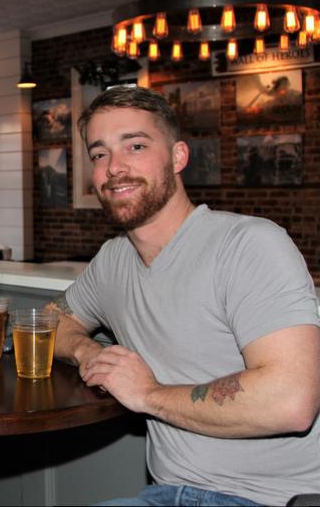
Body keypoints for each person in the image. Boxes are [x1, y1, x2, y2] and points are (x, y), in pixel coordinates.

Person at [50, 86, 320, 506]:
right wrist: (86, 352)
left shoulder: (248, 244)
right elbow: (51, 321)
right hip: (165, 493)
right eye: (99, 154)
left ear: (178, 157)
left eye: (135, 146)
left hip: (268, 499)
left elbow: (292, 400)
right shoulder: (114, 259)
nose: (114, 168)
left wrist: (149, 395)